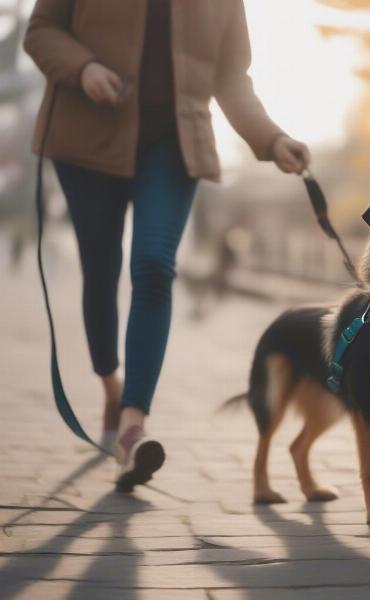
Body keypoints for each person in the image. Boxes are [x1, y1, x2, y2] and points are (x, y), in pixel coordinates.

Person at [23, 0, 310, 492]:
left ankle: (132, 427)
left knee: (155, 266)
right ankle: (112, 386)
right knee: (100, 268)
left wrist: (270, 138)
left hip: (175, 144)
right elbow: (42, 30)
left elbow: (231, 77)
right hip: (89, 135)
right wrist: (84, 67)